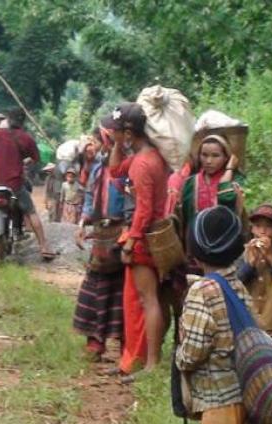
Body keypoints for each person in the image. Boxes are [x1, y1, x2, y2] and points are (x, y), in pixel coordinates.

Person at [106, 102, 169, 373]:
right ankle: (133, 359)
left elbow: (144, 209)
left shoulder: (143, 164)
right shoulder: (148, 156)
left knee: (148, 300)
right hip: (146, 236)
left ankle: (150, 363)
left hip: (143, 240)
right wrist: (118, 143)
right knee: (135, 301)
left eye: (117, 132)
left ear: (130, 133)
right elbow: (115, 170)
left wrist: (131, 241)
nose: (113, 135)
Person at [176, 205, 251, 424]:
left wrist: (180, 357)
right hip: (245, 395)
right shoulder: (239, 287)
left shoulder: (201, 291)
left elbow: (194, 351)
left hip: (217, 401)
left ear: (196, 254)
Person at [73, 125, 124, 362]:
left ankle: (126, 346)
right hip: (102, 234)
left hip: (123, 233)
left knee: (123, 291)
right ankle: (95, 341)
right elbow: (90, 198)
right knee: (95, 287)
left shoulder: (129, 166)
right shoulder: (97, 168)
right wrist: (83, 223)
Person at [0, 109, 55, 260]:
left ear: (8, 120)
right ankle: (44, 246)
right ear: (22, 122)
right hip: (14, 183)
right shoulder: (27, 138)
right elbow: (36, 159)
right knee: (31, 211)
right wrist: (23, 162)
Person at [236, 204, 272, 350]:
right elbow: (238, 279)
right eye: (258, 226)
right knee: (251, 353)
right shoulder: (245, 251)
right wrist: (252, 262)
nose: (262, 231)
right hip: (250, 315)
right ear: (252, 229)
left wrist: (269, 256)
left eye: (268, 226)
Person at [180, 134, 244, 236]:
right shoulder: (191, 183)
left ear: (226, 158)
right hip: (195, 240)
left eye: (215, 156)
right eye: (204, 155)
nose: (208, 161)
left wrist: (229, 169)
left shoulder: (235, 181)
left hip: (226, 239)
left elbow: (227, 200)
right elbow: (185, 217)